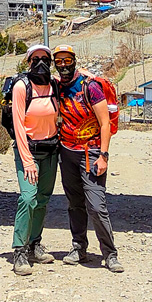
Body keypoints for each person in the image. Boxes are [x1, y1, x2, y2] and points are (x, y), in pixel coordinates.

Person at [52, 44, 122, 272]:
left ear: (73, 60)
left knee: (96, 205)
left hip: (90, 153)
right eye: (58, 61)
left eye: (66, 60)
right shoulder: (57, 86)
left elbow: (104, 123)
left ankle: (110, 254)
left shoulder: (90, 87)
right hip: (67, 152)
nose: (63, 65)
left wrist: (104, 155)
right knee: (74, 204)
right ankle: (78, 247)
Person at [10, 41, 59, 275]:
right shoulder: (21, 87)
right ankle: (19, 250)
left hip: (50, 151)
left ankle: (34, 244)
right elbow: (18, 125)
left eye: (45, 60)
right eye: (35, 60)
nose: (40, 64)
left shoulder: (55, 87)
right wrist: (27, 159)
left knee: (43, 199)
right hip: (27, 151)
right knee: (28, 199)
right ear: (28, 63)